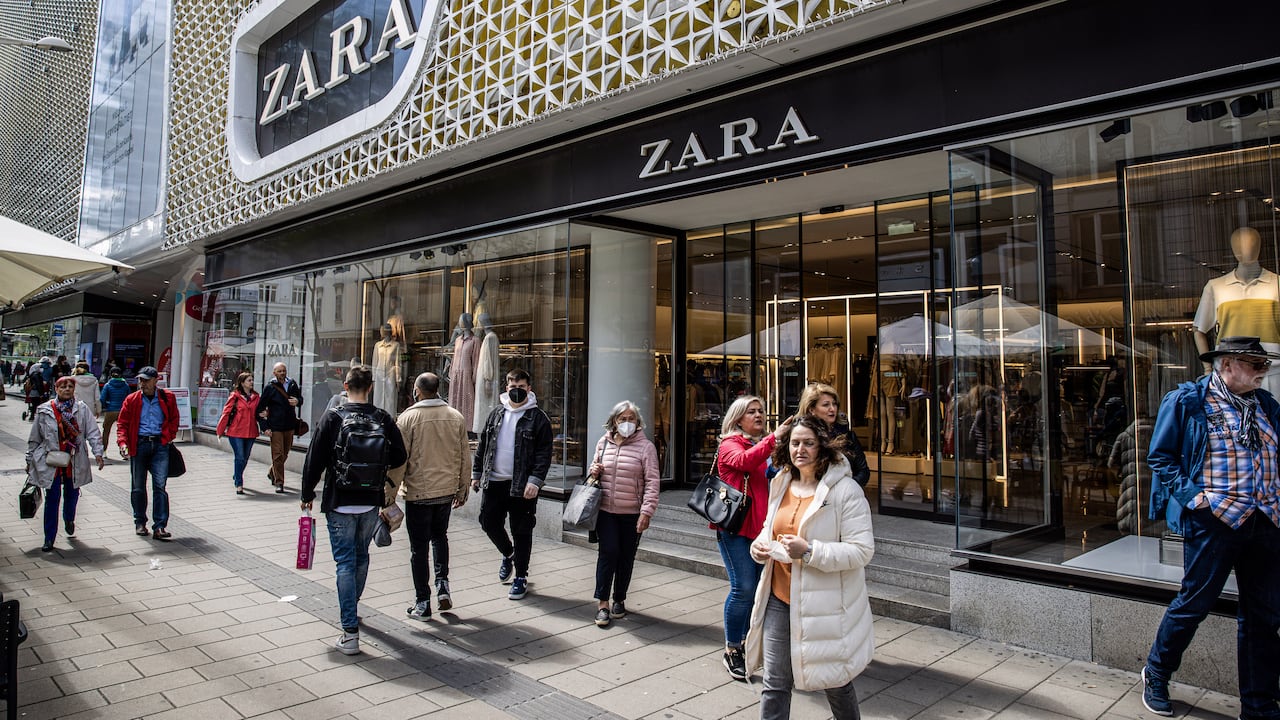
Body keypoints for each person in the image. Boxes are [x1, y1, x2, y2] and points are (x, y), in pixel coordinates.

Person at [1142, 336, 1280, 718]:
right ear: (1228, 364)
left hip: (1266, 520)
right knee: (1193, 605)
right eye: (1256, 364)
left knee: (1264, 616)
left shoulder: (1266, 405)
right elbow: (1161, 457)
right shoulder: (1189, 401)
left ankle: (1259, 705)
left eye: (1265, 364)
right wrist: (1196, 499)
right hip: (1215, 521)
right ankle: (1156, 672)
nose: (1263, 372)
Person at [745, 417, 874, 719]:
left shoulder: (845, 491)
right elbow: (769, 528)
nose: (800, 449)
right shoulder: (782, 482)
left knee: (835, 681)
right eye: (794, 442)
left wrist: (810, 551)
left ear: (823, 447)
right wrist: (759, 546)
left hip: (824, 604)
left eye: (808, 443)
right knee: (775, 683)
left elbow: (862, 551)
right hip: (779, 597)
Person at [301, 366, 407, 655]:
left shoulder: (334, 417)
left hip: (339, 500)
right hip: (370, 501)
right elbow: (400, 455)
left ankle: (349, 631)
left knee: (344, 563)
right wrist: (383, 477)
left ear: (345, 386)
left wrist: (307, 493)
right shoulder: (382, 418)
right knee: (361, 558)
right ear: (370, 387)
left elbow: (315, 458)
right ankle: (353, 608)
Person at [716, 395, 794, 681]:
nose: (759, 415)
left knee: (761, 589)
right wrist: (774, 439)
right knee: (744, 588)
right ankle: (732, 648)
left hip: (762, 530)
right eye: (752, 411)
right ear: (738, 418)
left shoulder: (760, 447)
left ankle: (753, 642)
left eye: (762, 410)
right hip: (735, 530)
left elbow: (768, 473)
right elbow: (745, 463)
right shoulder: (730, 444)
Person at [387, 372, 471, 621]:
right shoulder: (455, 416)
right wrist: (462, 488)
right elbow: (465, 456)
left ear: (417, 390)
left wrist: (388, 495)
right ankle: (443, 584)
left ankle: (422, 601)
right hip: (445, 492)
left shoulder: (409, 417)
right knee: (439, 538)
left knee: (418, 548)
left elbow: (399, 460)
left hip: (418, 492)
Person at [472, 368, 553, 601]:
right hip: (495, 481)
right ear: (506, 388)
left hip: (522, 486)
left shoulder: (538, 418)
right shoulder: (496, 413)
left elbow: (544, 454)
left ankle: (521, 576)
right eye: (512, 387)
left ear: (529, 388)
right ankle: (508, 553)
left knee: (522, 530)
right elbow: (483, 445)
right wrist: (477, 473)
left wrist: (535, 481)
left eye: (521, 387)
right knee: (487, 522)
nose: (516, 391)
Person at [586, 400, 660, 628]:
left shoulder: (646, 447)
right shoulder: (603, 442)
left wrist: (646, 512)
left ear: (638, 423)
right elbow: (593, 471)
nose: (627, 423)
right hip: (606, 510)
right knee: (608, 553)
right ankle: (602, 603)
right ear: (614, 421)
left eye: (631, 419)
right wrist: (594, 470)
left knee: (626, 557)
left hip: (632, 512)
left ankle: (619, 598)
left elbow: (652, 482)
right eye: (622, 419)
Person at [26, 375, 106, 552]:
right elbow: (35, 438)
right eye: (63, 386)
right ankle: (49, 538)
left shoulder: (82, 409)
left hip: (74, 459)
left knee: (72, 494)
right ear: (56, 389)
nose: (67, 389)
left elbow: (93, 432)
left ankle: (69, 518)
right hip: (51, 460)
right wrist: (29, 460)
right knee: (52, 498)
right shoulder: (44, 410)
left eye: (70, 386)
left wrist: (98, 453)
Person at [116, 366, 180, 540]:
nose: (142, 383)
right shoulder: (132, 400)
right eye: (140, 380)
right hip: (140, 444)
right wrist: (123, 443)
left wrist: (169, 436)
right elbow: (122, 424)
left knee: (160, 486)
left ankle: (159, 526)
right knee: (138, 486)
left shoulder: (167, 397)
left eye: (145, 380)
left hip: (160, 444)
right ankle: (140, 522)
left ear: (155, 380)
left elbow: (174, 418)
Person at [797, 383, 870, 488]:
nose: (832, 409)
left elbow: (863, 472)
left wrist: (846, 488)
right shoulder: (799, 437)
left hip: (845, 497)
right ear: (811, 409)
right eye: (826, 405)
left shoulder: (847, 436)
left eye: (834, 404)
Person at [259, 362, 304, 493]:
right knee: (278, 454)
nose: (282, 373)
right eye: (279, 371)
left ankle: (272, 471)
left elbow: (300, 399)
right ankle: (279, 482)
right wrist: (265, 427)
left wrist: (298, 401)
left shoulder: (292, 384)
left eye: (284, 371)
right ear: (274, 373)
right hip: (276, 426)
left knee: (285, 453)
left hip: (289, 425)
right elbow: (260, 409)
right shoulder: (270, 387)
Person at [216, 372, 261, 495]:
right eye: (249, 380)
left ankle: (236, 475)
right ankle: (239, 483)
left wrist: (265, 415)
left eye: (252, 380)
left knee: (245, 458)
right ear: (242, 383)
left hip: (251, 431)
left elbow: (260, 412)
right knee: (240, 457)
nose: (251, 382)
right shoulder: (235, 396)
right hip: (236, 431)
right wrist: (220, 430)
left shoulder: (256, 397)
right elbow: (226, 413)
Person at [100, 367, 130, 443]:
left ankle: (104, 450)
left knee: (106, 431)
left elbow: (102, 399)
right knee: (124, 431)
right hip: (122, 410)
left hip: (110, 410)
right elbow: (129, 398)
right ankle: (124, 447)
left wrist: (106, 406)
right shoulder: (125, 385)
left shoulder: (108, 385)